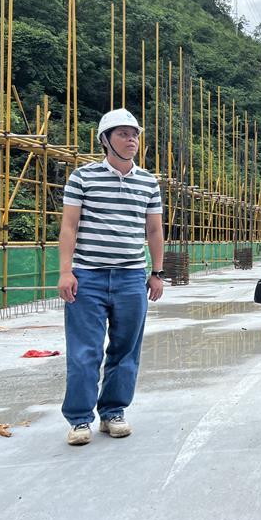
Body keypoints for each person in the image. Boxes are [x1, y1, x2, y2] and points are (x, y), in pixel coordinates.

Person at [58, 108, 164, 446]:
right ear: (105, 140)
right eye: (123, 134)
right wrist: (65, 271)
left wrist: (156, 272)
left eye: (134, 135)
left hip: (131, 278)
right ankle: (79, 419)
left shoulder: (148, 181)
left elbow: (154, 230)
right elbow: (69, 226)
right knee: (84, 352)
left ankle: (113, 412)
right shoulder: (83, 177)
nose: (131, 140)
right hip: (87, 277)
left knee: (125, 350)